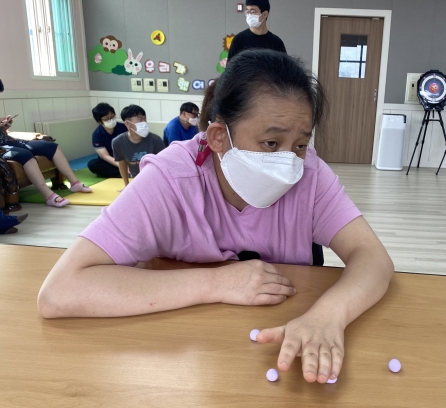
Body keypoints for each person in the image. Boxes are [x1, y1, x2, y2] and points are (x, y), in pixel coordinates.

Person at [38, 49, 394, 385]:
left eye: (300, 145)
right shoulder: (170, 179)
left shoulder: (310, 175)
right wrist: (218, 283)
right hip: (189, 352)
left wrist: (327, 315)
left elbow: (373, 258)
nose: (288, 162)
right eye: (271, 144)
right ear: (219, 137)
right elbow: (60, 292)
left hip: (271, 347)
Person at [0, 116, 92, 207]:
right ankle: (49, 196)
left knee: (52, 147)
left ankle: (75, 183)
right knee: (25, 154)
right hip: (1, 147)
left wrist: (5, 125)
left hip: (10, 141)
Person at [111, 105, 165, 189]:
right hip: (136, 180)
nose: (144, 122)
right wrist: (127, 185)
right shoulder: (118, 142)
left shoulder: (155, 140)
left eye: (144, 119)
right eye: (139, 119)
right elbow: (122, 164)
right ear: (127, 123)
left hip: (156, 180)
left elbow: (163, 164)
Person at [89, 103, 127, 178]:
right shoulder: (97, 134)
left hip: (126, 159)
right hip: (111, 161)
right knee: (92, 164)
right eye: (106, 119)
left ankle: (126, 171)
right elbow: (105, 156)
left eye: (112, 117)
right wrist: (122, 166)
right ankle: (124, 173)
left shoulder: (124, 128)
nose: (111, 120)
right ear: (99, 121)